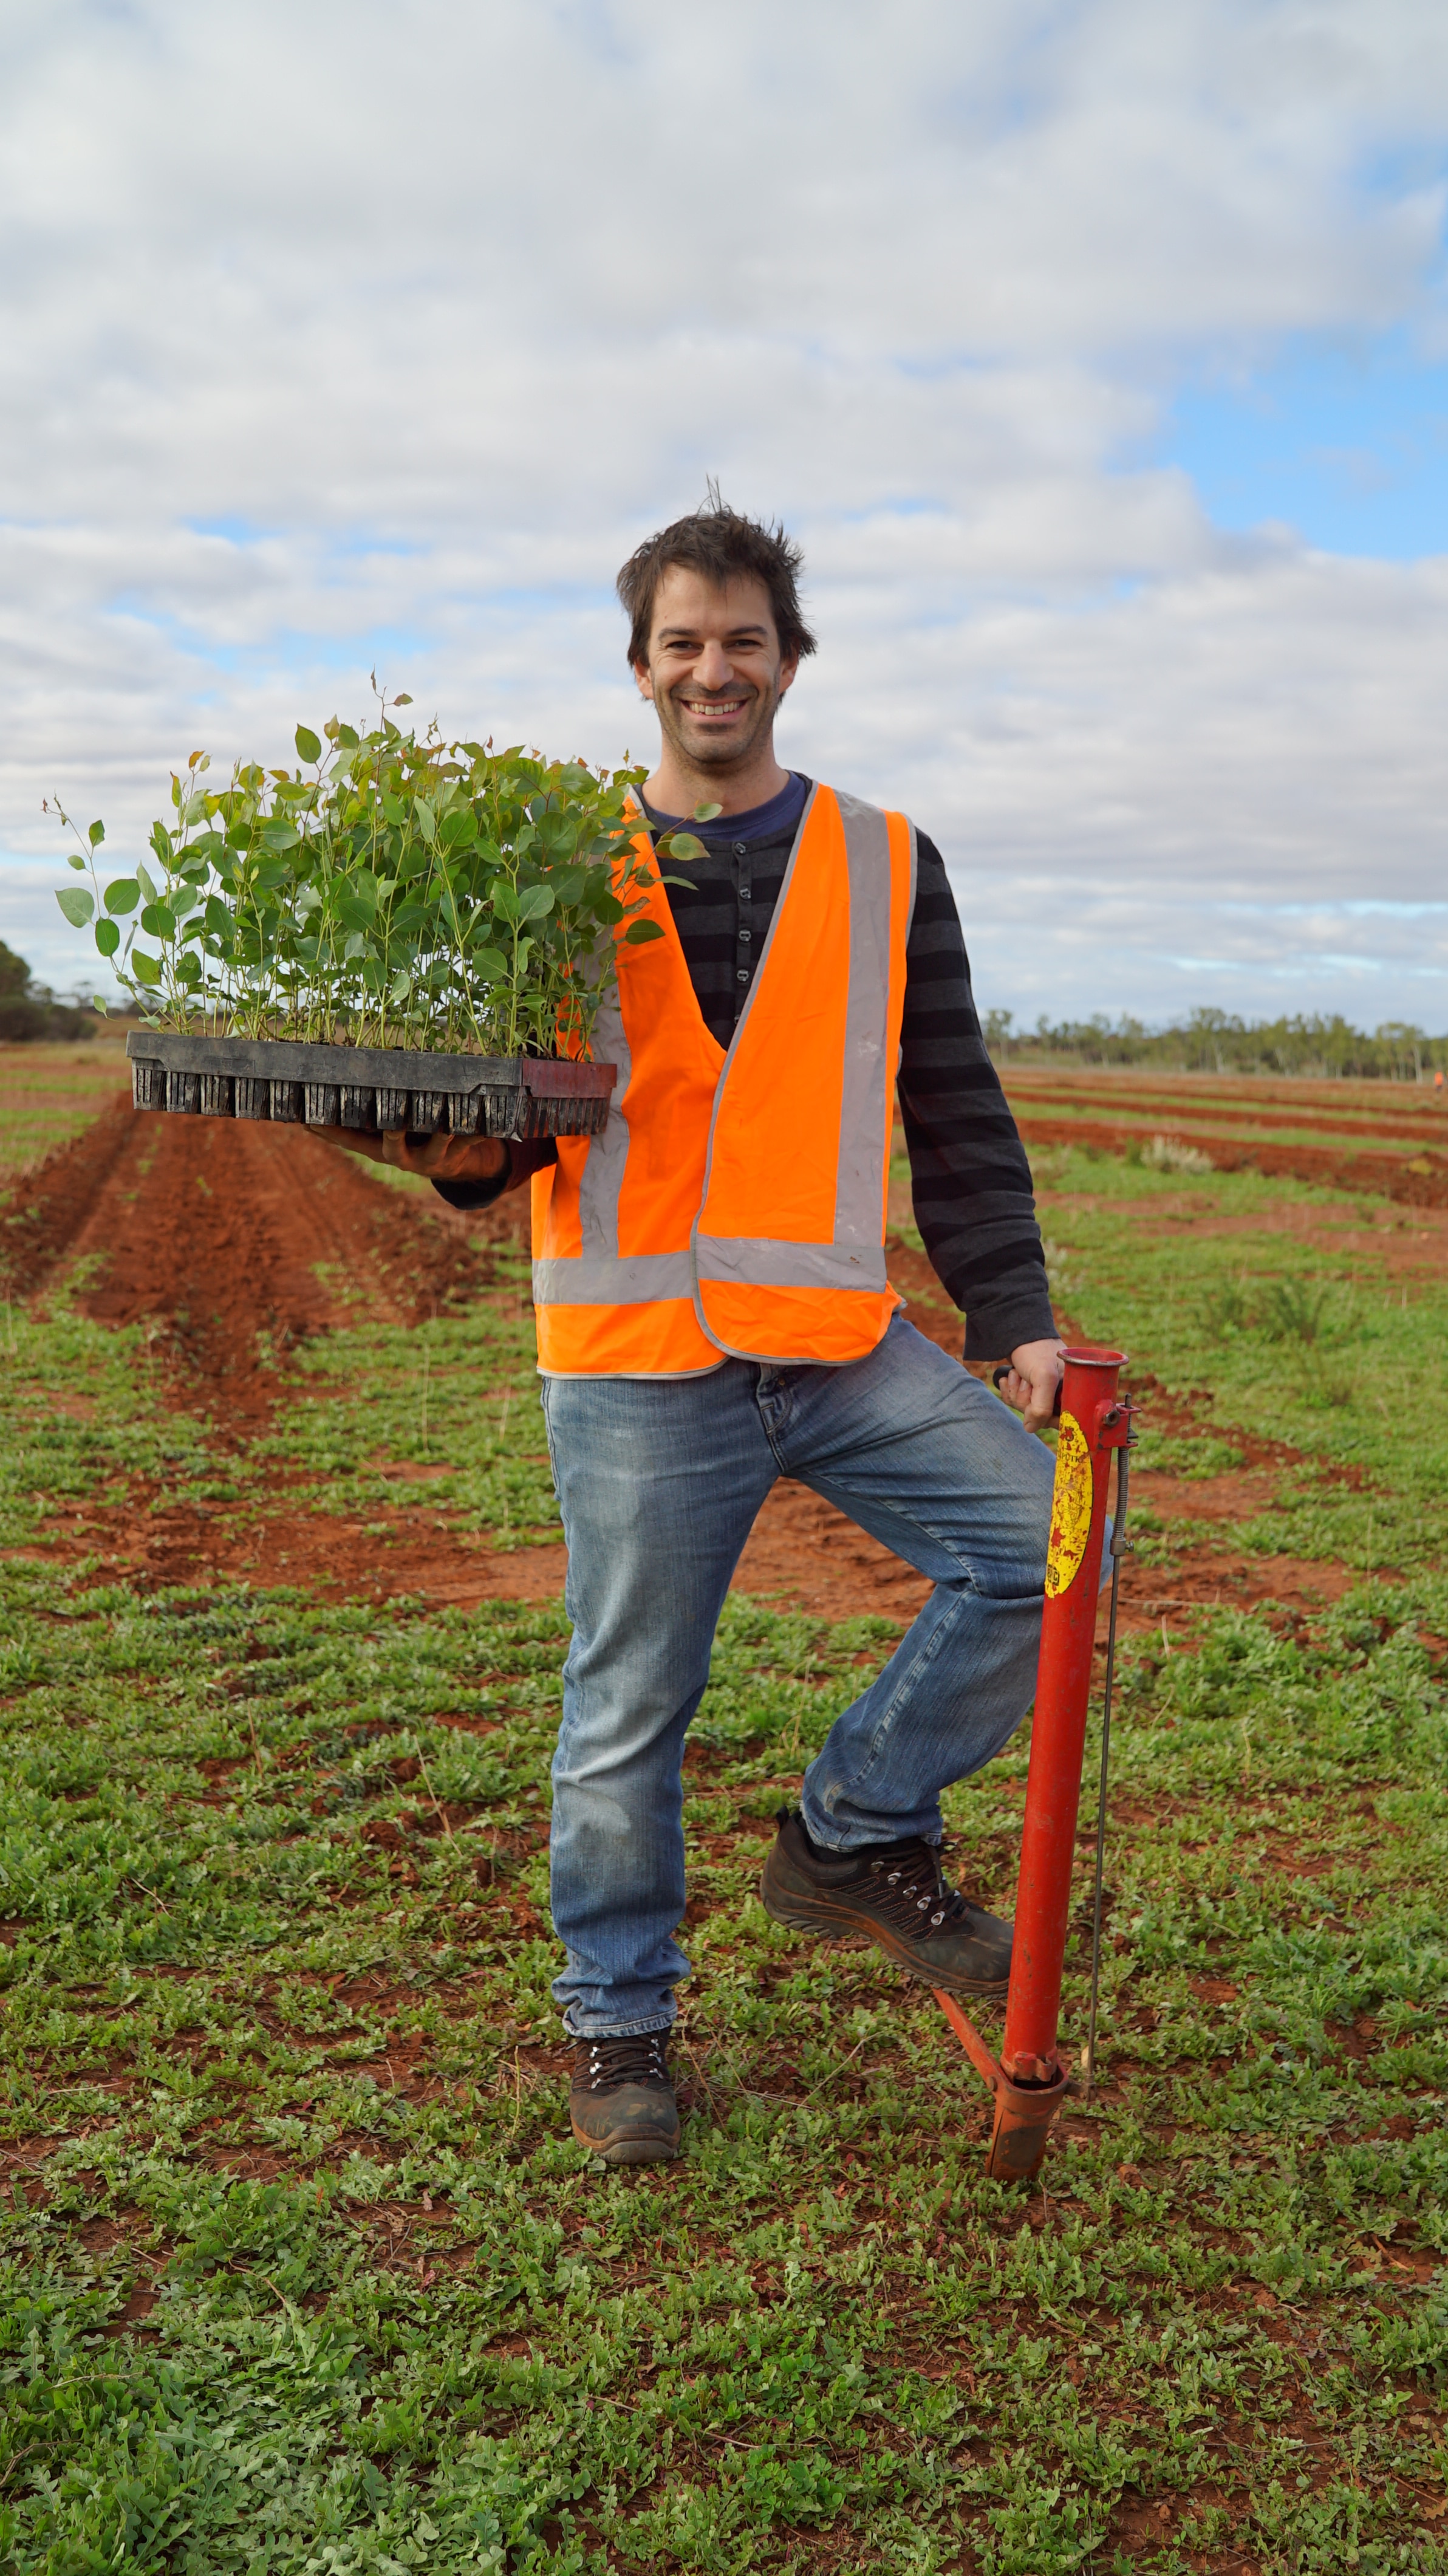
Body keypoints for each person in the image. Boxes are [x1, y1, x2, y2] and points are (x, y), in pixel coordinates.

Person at [330, 499, 1064, 2166]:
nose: (713, 669)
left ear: (789, 662)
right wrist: (462, 1163)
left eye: (744, 639)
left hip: (836, 1340)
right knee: (626, 1711)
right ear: (641, 668)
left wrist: (1009, 1309)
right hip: (639, 1359)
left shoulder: (886, 860)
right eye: (682, 644)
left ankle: (855, 1828)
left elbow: (953, 1103)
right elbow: (517, 1118)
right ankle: (621, 2026)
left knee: (1043, 1541)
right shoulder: (553, 872)